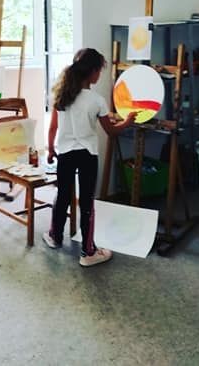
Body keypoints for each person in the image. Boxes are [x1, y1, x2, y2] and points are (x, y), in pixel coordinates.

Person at [43, 48, 136, 267]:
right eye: (99, 71)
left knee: (63, 196)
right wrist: (128, 122)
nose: (99, 76)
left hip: (65, 153)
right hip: (87, 155)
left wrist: (49, 149)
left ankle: (55, 237)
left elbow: (53, 127)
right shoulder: (97, 100)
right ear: (92, 71)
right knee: (86, 202)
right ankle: (88, 252)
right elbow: (112, 132)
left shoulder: (61, 94)